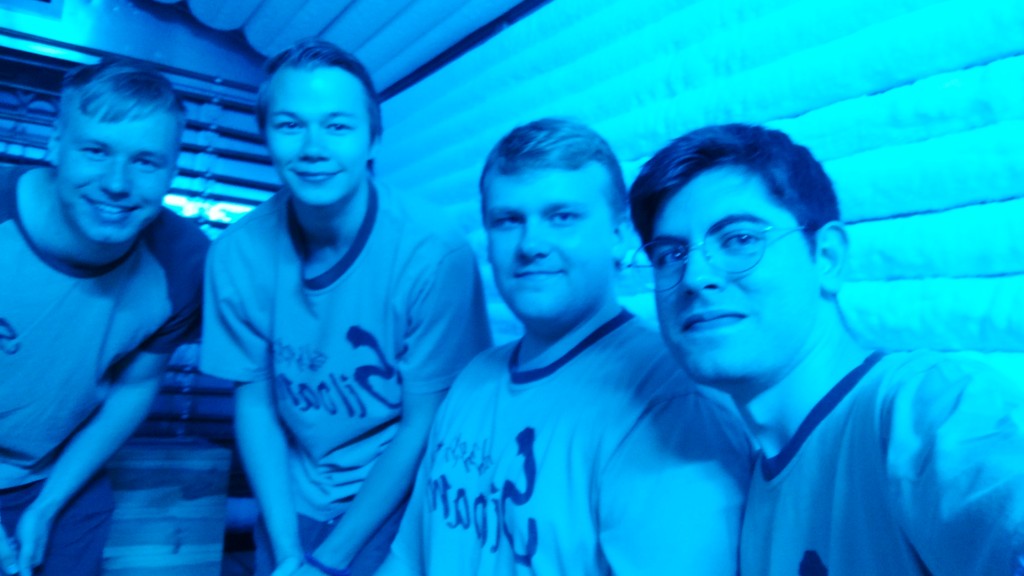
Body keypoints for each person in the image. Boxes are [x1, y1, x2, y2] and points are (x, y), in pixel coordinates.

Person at [628, 123, 1024, 575]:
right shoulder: (755, 495)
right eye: (670, 255)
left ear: (827, 258)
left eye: (740, 239)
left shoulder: (924, 405)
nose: (696, 276)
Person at [378, 118, 752, 575]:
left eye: (562, 217)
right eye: (508, 220)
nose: (531, 244)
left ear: (618, 235)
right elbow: (408, 559)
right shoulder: (473, 379)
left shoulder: (673, 408)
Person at [200, 40, 492, 576]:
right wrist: (288, 551)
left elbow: (425, 421)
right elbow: (256, 406)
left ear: (373, 138)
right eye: (290, 125)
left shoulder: (433, 254)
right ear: (265, 136)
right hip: (292, 496)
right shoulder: (236, 255)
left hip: (400, 497)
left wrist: (329, 562)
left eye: (337, 126)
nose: (313, 147)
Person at [0, 58, 208, 575]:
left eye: (146, 161)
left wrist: (47, 505)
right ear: (56, 144)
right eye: (95, 150)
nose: (118, 183)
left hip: (53, 476)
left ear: (172, 170)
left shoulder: (183, 261)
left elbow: (135, 388)